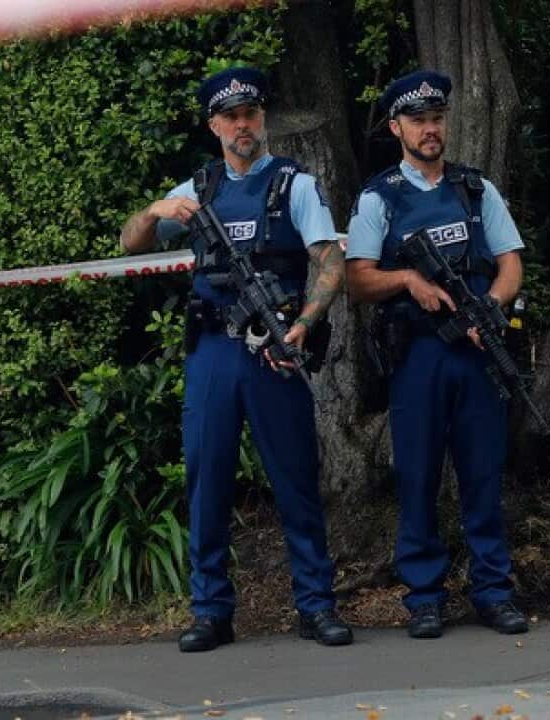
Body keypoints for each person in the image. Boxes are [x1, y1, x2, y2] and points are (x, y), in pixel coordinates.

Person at [119, 67, 352, 652]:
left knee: (295, 476)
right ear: (213, 125)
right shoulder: (195, 191)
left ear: (262, 118)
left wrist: (302, 324)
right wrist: (153, 212)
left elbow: (328, 261)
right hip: (213, 354)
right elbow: (130, 244)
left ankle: (316, 606)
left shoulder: (295, 184)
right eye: (230, 116)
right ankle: (211, 611)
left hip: (274, 349)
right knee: (207, 479)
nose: (242, 125)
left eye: (250, 113)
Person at [344, 69, 529, 639]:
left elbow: (511, 262)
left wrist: (492, 309)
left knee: (481, 473)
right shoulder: (379, 196)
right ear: (396, 126)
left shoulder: (475, 189)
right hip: (419, 356)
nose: (429, 129)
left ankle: (493, 591)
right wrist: (407, 281)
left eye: (436, 119)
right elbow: (358, 278)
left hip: (475, 351)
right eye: (418, 120)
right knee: (419, 475)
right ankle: (424, 597)